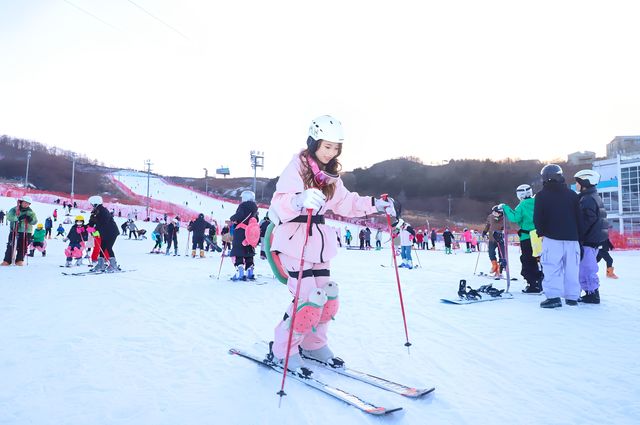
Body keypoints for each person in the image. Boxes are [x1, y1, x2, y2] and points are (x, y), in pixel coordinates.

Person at [267, 115, 396, 375]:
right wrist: (299, 200)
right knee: (306, 298)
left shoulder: (330, 177)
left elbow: (346, 203)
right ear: (313, 142)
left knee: (326, 295)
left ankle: (314, 344)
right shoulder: (296, 168)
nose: (331, 152)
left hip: (318, 242)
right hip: (294, 239)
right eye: (327, 146)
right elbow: (277, 206)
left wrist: (375, 204)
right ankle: (283, 350)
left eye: (336, 147)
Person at [533, 164, 581, 308]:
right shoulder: (572, 195)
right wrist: (579, 236)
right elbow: (580, 217)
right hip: (572, 238)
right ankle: (572, 297)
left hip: (552, 238)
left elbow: (538, 218)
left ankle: (553, 297)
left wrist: (541, 232)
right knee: (572, 268)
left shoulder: (541, 195)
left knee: (551, 267)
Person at [575, 169, 609, 304]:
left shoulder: (588, 199)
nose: (576, 185)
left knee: (587, 268)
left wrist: (578, 235)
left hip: (589, 239)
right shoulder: (591, 196)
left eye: (577, 182)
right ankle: (590, 292)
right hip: (593, 238)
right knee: (586, 267)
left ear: (585, 182)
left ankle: (593, 294)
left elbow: (587, 220)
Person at [501, 184, 543, 293]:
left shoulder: (522, 205)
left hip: (527, 237)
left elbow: (514, 218)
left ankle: (533, 284)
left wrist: (505, 207)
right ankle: (542, 280)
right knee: (541, 258)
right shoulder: (537, 202)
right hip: (540, 236)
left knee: (528, 260)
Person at [229, 190, 259, 281]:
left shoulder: (243, 206)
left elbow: (240, 215)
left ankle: (240, 272)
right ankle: (250, 271)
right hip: (251, 233)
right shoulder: (255, 208)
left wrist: (232, 218)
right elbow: (256, 219)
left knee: (238, 251)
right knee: (249, 252)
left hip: (241, 232)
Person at [87, 195, 120, 272]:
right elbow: (91, 222)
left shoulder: (103, 211)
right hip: (104, 233)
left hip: (111, 232)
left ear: (95, 204)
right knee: (102, 248)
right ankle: (101, 265)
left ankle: (113, 265)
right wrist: (87, 227)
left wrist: (95, 229)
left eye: (92, 204)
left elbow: (103, 223)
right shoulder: (95, 212)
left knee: (108, 248)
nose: (91, 205)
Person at [2, 196, 37, 266]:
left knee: (23, 246)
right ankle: (7, 261)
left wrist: (30, 220)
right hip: (15, 230)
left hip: (26, 231)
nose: (26, 204)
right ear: (21, 202)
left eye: (28, 203)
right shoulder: (14, 209)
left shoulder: (31, 212)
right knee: (11, 245)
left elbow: (35, 221)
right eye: (24, 203)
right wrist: (18, 218)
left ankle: (19, 260)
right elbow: (9, 217)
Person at [482, 206, 506, 277]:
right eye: (494, 212)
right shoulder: (490, 217)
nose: (494, 214)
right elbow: (488, 225)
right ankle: (494, 266)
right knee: (491, 253)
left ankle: (500, 271)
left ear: (500, 213)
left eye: (496, 212)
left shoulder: (504, 219)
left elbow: (507, 228)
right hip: (492, 239)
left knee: (502, 255)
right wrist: (484, 232)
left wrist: (502, 230)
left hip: (499, 239)